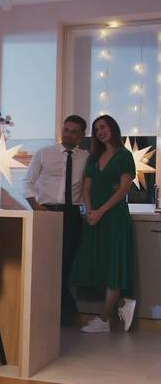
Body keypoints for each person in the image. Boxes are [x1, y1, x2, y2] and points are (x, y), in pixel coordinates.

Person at [71, 115, 137, 333]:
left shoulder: (125, 155)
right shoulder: (93, 157)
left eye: (104, 127)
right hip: (95, 217)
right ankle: (122, 303)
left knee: (113, 264)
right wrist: (90, 211)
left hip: (114, 217)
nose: (100, 131)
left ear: (113, 129)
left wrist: (100, 211)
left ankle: (105, 318)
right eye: (96, 129)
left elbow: (123, 189)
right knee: (94, 263)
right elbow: (86, 188)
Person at [23, 115, 88, 325]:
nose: (68, 134)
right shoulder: (44, 153)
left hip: (73, 214)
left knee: (66, 264)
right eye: (66, 130)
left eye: (73, 131)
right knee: (48, 264)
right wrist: (35, 206)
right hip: (46, 211)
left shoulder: (86, 158)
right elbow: (28, 181)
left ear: (81, 135)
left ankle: (59, 314)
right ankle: (67, 314)